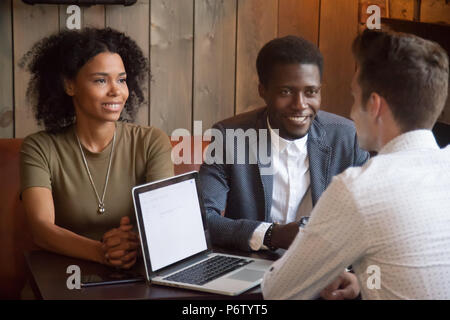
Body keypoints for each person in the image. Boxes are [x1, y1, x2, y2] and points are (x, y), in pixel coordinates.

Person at [262, 29, 450, 300]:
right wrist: (362, 281)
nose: (350, 112)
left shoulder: (358, 189)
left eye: (353, 97)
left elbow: (277, 291)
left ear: (374, 105)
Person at [199, 36, 369, 299]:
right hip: (255, 281)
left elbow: (369, 219)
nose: (301, 104)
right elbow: (204, 218)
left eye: (311, 92)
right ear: (263, 90)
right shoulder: (230, 136)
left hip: (328, 279)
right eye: (286, 91)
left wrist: (359, 278)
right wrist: (272, 235)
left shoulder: (345, 135)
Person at [20, 28, 174, 270]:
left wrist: (129, 244)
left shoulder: (152, 141)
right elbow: (41, 229)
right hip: (63, 279)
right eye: (101, 80)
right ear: (70, 85)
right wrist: (101, 252)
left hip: (133, 275)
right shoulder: (39, 148)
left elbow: (165, 221)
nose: (116, 90)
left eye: (121, 80)